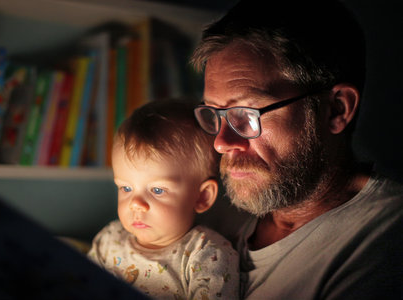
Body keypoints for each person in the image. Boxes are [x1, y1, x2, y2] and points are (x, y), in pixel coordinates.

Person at [191, 0, 403, 299]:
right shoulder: (210, 206)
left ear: (335, 110)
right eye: (215, 113)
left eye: (247, 113)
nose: (222, 142)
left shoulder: (384, 247)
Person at [88, 99, 239, 300]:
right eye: (126, 188)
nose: (135, 203)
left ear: (202, 197)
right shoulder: (109, 240)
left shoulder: (207, 254)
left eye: (157, 190)